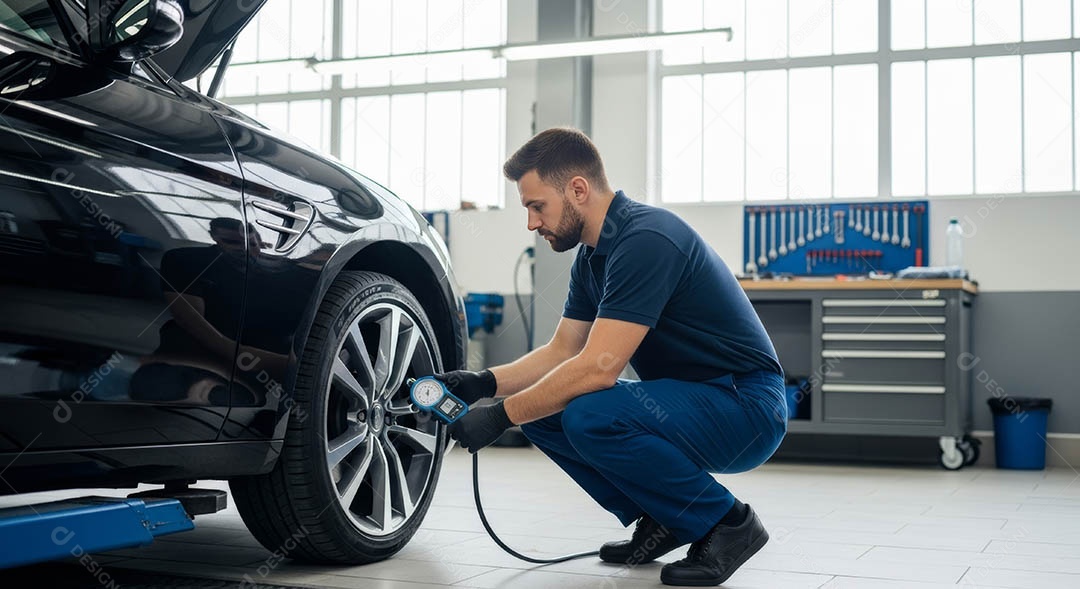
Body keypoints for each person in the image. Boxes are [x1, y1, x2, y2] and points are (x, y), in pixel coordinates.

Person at [438, 128, 786, 586]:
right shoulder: (591, 259)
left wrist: (499, 417)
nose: (531, 223)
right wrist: (484, 382)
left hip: (746, 406)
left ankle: (728, 522)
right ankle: (663, 517)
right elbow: (563, 351)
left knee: (587, 413)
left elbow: (600, 368)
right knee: (545, 413)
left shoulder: (648, 238)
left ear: (578, 189)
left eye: (536, 205)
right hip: (693, 399)